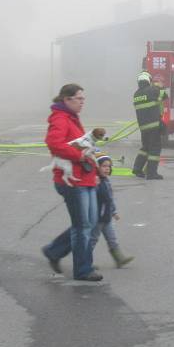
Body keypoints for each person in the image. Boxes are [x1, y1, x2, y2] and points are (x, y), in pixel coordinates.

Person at [41, 84, 102, 281]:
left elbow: (82, 144)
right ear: (67, 99)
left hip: (86, 178)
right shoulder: (60, 118)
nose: (82, 102)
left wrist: (95, 166)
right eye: (79, 98)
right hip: (72, 181)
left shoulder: (72, 118)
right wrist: (80, 157)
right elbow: (54, 143)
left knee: (90, 223)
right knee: (82, 226)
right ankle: (83, 269)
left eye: (83, 98)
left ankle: (55, 251)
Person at [92, 155, 134, 268]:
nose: (107, 169)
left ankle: (119, 259)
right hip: (97, 218)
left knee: (112, 238)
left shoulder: (106, 181)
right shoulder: (95, 181)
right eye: (104, 166)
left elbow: (109, 199)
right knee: (93, 240)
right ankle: (86, 262)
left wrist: (114, 212)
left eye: (109, 166)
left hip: (107, 217)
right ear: (97, 167)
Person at [131, 71, 164, 179]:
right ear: (148, 80)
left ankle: (137, 169)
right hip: (154, 125)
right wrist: (160, 86)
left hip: (143, 127)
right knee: (155, 148)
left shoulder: (136, 94)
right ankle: (151, 173)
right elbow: (164, 95)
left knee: (145, 148)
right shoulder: (152, 89)